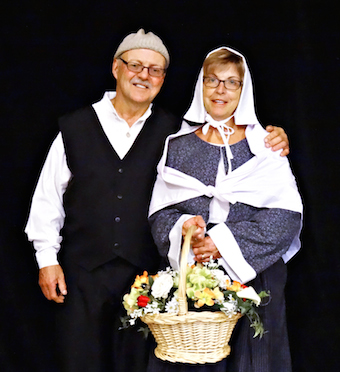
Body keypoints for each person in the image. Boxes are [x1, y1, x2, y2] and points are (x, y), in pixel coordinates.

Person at [25, 29, 291, 372]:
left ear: (163, 79)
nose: (144, 75)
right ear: (116, 68)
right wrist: (46, 258)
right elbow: (48, 198)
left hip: (148, 278)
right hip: (82, 275)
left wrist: (274, 136)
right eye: (136, 65)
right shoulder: (75, 127)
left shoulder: (177, 133)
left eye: (155, 70)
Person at [147, 47, 303, 372]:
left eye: (232, 83)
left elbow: (285, 216)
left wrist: (222, 242)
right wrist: (186, 230)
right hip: (193, 273)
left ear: (243, 91)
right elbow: (161, 213)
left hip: (256, 276)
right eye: (213, 80)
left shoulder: (265, 145)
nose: (221, 90)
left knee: (254, 361)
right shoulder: (178, 146)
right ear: (200, 86)